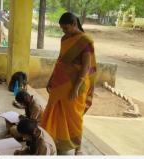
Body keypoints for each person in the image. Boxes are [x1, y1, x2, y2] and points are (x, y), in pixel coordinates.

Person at [40, 12, 97, 155]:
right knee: (54, 111)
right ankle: (55, 141)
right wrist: (51, 78)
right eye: (62, 29)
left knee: (75, 117)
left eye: (66, 28)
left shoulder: (85, 41)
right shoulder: (65, 38)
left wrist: (76, 88)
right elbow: (60, 61)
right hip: (59, 82)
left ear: (74, 24)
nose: (64, 31)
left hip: (76, 84)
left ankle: (78, 148)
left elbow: (85, 67)